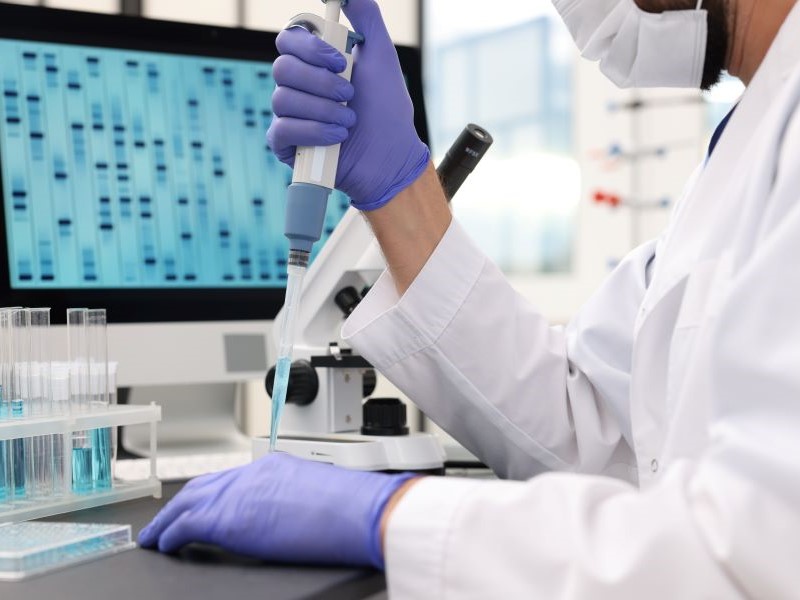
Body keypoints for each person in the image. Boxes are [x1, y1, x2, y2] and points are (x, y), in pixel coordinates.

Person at [139, 0, 800, 596]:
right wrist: (397, 189)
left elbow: (752, 556)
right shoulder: (753, 134)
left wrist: (386, 517)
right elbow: (594, 436)